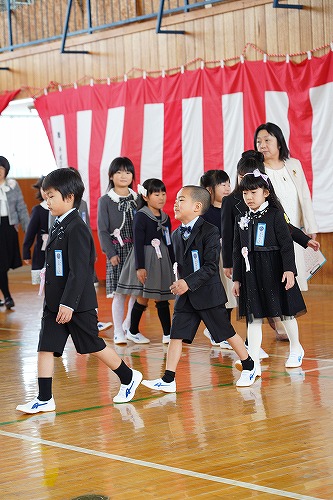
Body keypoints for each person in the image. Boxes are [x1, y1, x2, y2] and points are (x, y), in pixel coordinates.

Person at [16, 167, 142, 414]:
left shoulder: (77, 227)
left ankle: (128, 377)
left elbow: (80, 271)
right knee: (45, 346)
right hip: (55, 303)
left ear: (69, 196)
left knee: (92, 345)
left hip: (75, 304)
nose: (46, 201)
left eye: (51, 196)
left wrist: (69, 304)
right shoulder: (59, 224)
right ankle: (44, 398)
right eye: (45, 196)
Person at [142, 185, 258, 392]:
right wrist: (179, 283)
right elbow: (180, 265)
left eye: (181, 199)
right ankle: (169, 379)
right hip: (186, 296)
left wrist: (188, 283)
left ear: (197, 206)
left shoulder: (211, 231)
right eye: (176, 200)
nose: (175, 203)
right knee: (176, 334)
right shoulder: (176, 235)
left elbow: (211, 266)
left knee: (226, 332)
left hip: (208, 294)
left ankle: (249, 366)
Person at [221, 151, 319, 341]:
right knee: (251, 307)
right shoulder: (231, 201)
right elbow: (228, 235)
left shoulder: (269, 202)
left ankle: (283, 335)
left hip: (269, 261)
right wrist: (228, 264)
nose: (248, 192)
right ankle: (252, 348)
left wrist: (304, 239)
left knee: (273, 300)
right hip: (247, 261)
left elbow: (285, 225)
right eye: (242, 178)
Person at [232, 167, 307, 375]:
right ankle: (253, 361)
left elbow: (286, 245)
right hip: (252, 274)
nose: (248, 197)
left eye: (253, 192)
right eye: (245, 193)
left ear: (265, 192)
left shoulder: (275, 215)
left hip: (275, 270)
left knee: (286, 312)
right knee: (254, 317)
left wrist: (289, 270)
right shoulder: (241, 217)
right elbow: (237, 250)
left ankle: (296, 347)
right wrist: (237, 278)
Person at [254, 122, 318, 291]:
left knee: (292, 277)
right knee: (273, 280)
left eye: (267, 140)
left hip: (293, 230)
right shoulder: (256, 169)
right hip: (269, 233)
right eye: (259, 141)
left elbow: (304, 196)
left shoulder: (294, 164)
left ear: (280, 143)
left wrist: (310, 226)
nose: (262, 145)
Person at [117, 178, 175, 344]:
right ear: (146, 196)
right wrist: (140, 267)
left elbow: (168, 241)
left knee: (159, 297)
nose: (161, 197)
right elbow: (138, 243)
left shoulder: (165, 217)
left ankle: (164, 333)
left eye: (163, 193)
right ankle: (135, 331)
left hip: (162, 260)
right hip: (147, 259)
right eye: (156, 194)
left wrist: (173, 263)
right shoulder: (141, 216)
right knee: (145, 297)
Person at [97, 157, 137, 344]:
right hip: (117, 252)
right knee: (120, 294)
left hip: (136, 251)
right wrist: (110, 253)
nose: (123, 176)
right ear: (111, 176)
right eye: (119, 172)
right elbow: (103, 230)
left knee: (137, 292)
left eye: (128, 172)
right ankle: (118, 331)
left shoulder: (138, 199)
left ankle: (129, 326)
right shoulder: (105, 200)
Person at [199, 169, 237, 349]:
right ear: (209, 189)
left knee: (230, 296)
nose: (228, 188)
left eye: (229, 183)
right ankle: (217, 333)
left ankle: (218, 332)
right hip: (215, 258)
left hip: (231, 256)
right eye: (223, 185)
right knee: (220, 295)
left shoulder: (232, 208)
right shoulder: (205, 213)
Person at [0, 156, 29, 310]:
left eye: (1, 168)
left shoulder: (12, 185)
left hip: (9, 227)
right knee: (1, 265)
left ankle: (5, 296)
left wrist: (28, 229)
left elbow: (21, 207)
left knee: (4, 264)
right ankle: (7, 296)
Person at [23, 176, 49, 285]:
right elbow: (30, 233)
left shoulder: (61, 208)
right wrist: (26, 252)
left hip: (58, 251)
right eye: (43, 189)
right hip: (42, 252)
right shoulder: (38, 210)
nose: (46, 192)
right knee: (45, 282)